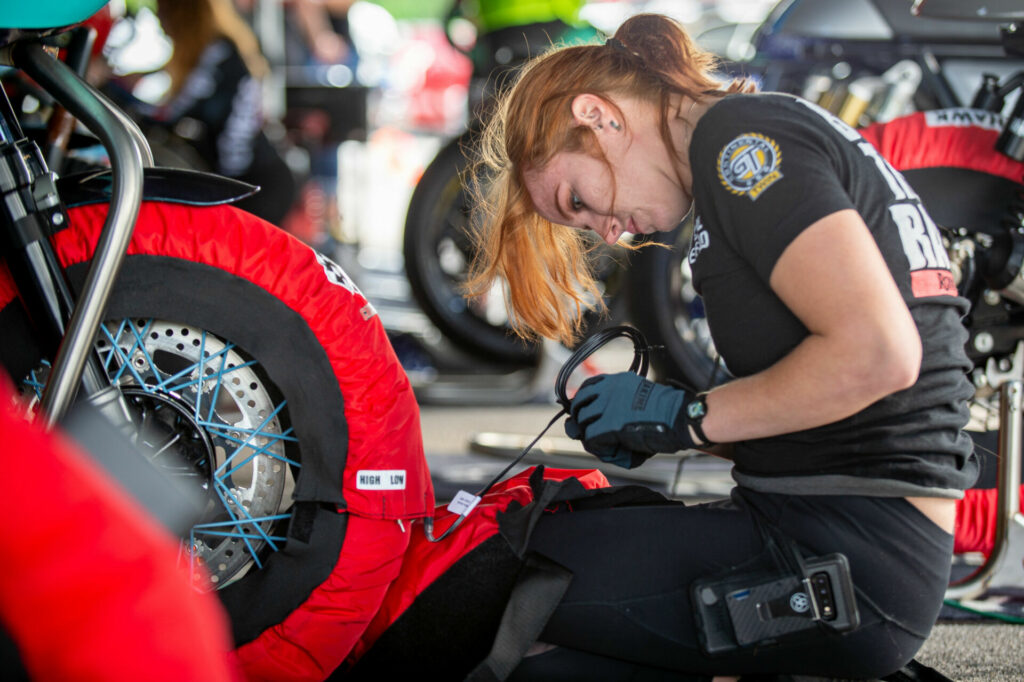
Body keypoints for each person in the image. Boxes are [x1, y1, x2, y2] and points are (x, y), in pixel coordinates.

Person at [464, 12, 979, 680]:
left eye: (579, 200)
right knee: (543, 612)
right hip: (840, 531)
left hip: (849, 557)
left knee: (500, 583)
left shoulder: (739, 143)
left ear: (598, 115)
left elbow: (881, 354)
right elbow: (838, 410)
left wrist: (687, 417)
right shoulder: (742, 146)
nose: (610, 232)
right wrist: (668, 422)